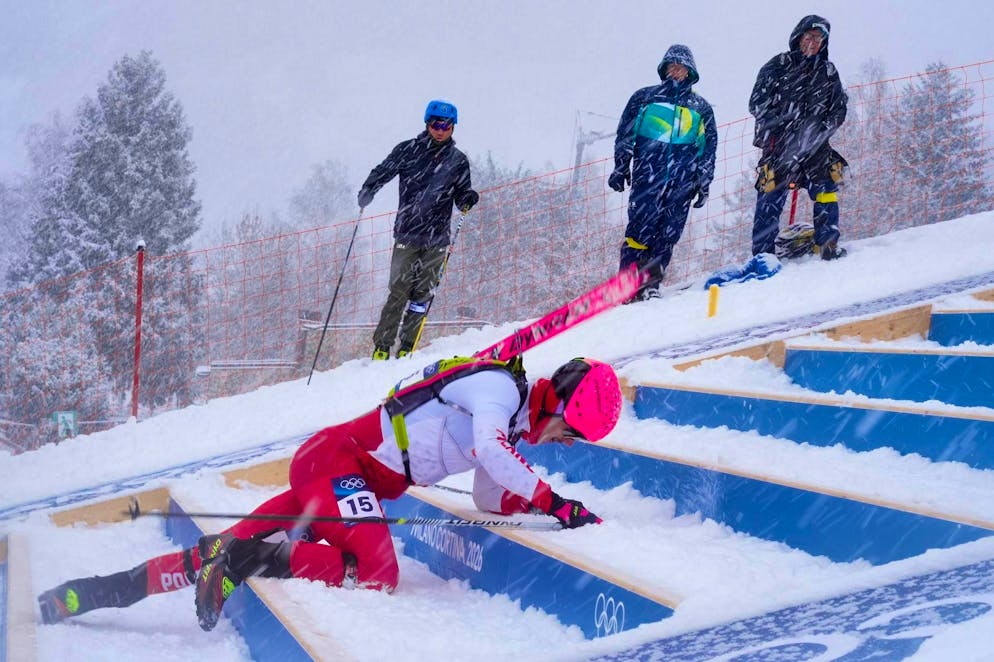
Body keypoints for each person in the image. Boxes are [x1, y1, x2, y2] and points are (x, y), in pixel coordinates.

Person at [37, 356, 622, 632]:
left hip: (343, 479)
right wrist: (555, 502)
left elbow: (492, 494)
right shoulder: (498, 387)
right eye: (573, 432)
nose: (566, 444)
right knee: (378, 571)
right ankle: (252, 558)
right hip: (337, 465)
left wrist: (537, 506)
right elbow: (493, 453)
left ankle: (83, 595)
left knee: (210, 553)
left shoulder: (511, 419)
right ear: (562, 404)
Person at [358, 99, 480, 360]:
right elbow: (383, 171)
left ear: (453, 128)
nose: (441, 129)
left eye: (446, 125)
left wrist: (467, 198)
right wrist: (369, 189)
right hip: (407, 233)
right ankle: (382, 346)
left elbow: (461, 193)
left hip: (437, 238)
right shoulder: (408, 150)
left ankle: (406, 347)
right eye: (436, 123)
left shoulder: (457, 161)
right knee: (399, 291)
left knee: (422, 294)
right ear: (427, 123)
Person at [609, 44, 718, 302]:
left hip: (682, 182)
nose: (676, 71)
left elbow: (708, 148)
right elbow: (625, 134)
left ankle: (650, 284)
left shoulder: (701, 108)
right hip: (648, 177)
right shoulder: (645, 98)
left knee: (668, 234)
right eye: (671, 65)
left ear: (690, 71)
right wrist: (620, 165)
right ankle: (627, 284)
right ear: (664, 68)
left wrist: (704, 181)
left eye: (681, 67)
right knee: (639, 232)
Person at [749, 15, 849, 260]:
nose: (814, 42)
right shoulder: (778, 64)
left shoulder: (828, 71)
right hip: (779, 147)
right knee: (770, 197)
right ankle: (763, 257)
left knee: (826, 189)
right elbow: (757, 103)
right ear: (799, 36)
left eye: (820, 38)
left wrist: (821, 130)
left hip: (816, 147)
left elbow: (838, 109)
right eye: (810, 36)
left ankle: (827, 245)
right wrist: (782, 126)